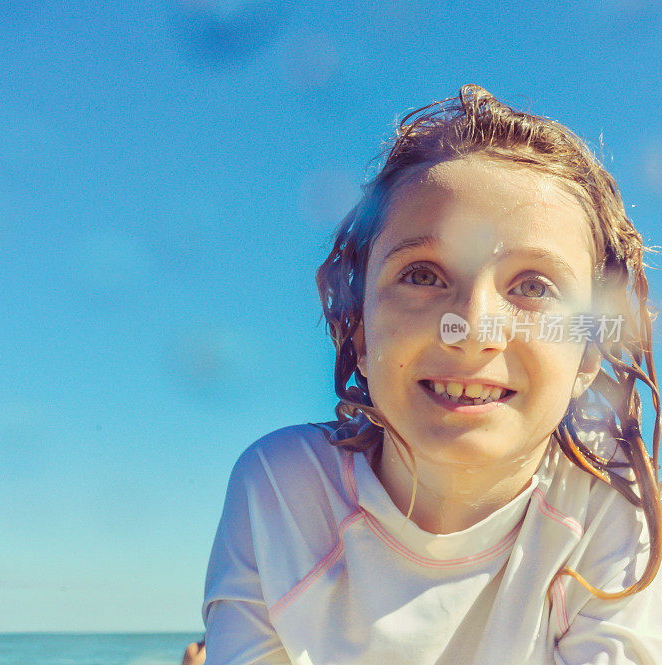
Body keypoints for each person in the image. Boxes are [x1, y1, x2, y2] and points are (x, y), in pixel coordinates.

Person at [201, 85, 662, 664]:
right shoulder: (284, 490)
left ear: (588, 354)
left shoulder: (612, 506)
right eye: (423, 275)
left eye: (534, 286)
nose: (471, 327)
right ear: (360, 332)